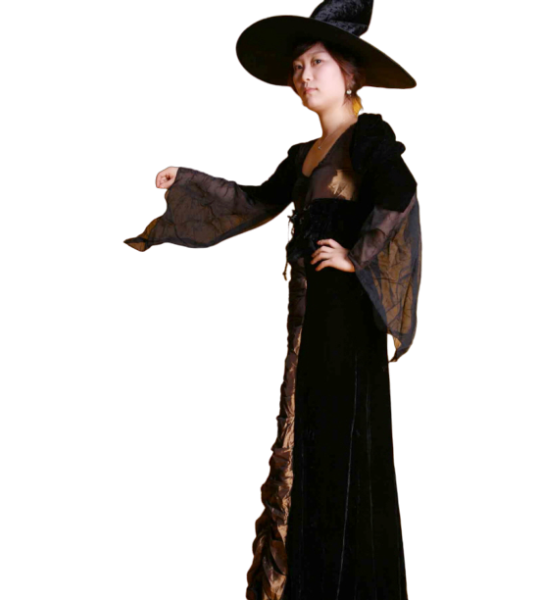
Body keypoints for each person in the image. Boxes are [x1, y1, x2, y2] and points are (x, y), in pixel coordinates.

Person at [123, 1, 421, 599]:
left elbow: (401, 189)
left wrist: (357, 254)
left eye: (317, 63)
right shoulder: (302, 155)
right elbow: (252, 202)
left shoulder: (368, 137)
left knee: (339, 446)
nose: (304, 75)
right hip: (308, 323)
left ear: (349, 75)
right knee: (308, 442)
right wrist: (186, 178)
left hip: (346, 325)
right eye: (298, 67)